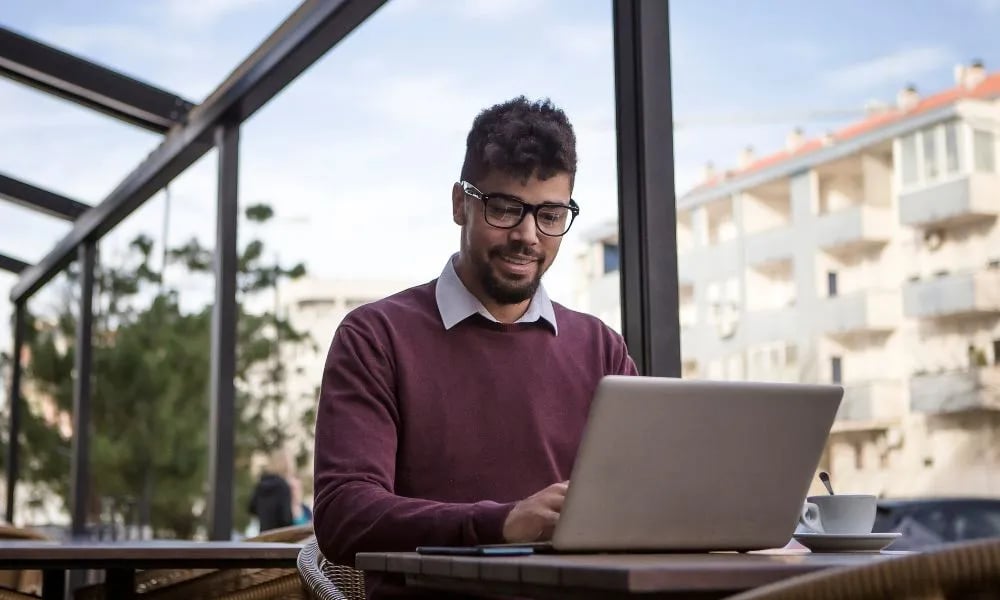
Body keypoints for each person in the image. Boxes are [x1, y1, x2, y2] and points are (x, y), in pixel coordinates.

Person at [313, 96, 637, 598]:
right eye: (505, 209)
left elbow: (641, 501)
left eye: (550, 214)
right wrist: (501, 523)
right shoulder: (375, 336)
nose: (528, 236)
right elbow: (343, 514)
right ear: (461, 203)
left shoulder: (601, 349)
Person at [249, 449, 294, 531]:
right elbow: (286, 518)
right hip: (280, 537)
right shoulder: (283, 486)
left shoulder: (261, 484)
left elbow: (251, 508)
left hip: (263, 535)